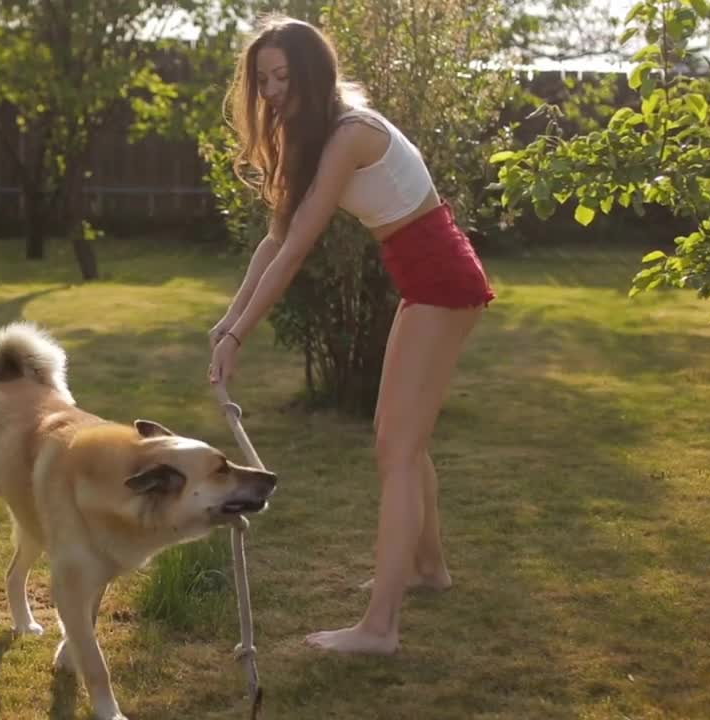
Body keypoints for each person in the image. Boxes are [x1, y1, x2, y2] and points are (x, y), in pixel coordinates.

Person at [206, 15, 496, 656]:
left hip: (443, 284)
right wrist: (227, 325)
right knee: (403, 441)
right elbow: (275, 239)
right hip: (427, 283)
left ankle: (381, 628)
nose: (273, 90)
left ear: (314, 73)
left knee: (394, 451)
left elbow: (295, 251)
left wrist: (240, 337)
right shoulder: (315, 134)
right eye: (263, 78)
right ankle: (428, 569)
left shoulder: (348, 134)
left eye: (283, 76)